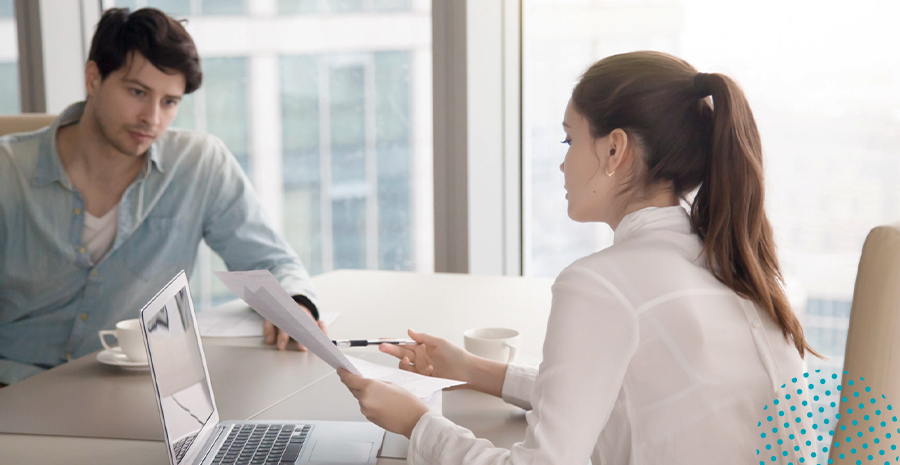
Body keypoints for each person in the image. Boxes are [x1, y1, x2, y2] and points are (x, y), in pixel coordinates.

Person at [338, 51, 820, 464]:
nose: (563, 162)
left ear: (615, 149)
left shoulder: (601, 283)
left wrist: (417, 422)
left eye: (569, 140)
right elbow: (619, 396)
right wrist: (474, 370)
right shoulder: (725, 260)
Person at [0, 7, 323, 386]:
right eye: (137, 92)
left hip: (133, 389)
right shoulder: (8, 170)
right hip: (14, 388)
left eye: (169, 102)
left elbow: (269, 261)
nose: (152, 118)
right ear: (93, 78)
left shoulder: (200, 164)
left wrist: (293, 303)